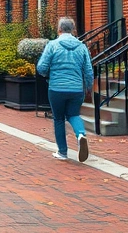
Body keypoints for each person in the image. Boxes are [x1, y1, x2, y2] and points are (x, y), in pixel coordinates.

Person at [36, 16, 93, 162]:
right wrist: (88, 87)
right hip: (76, 88)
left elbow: (41, 67)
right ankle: (81, 134)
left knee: (59, 119)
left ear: (59, 29)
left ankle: (62, 152)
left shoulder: (53, 45)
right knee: (74, 114)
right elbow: (88, 70)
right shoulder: (82, 47)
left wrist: (48, 74)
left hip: (57, 88)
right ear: (74, 30)